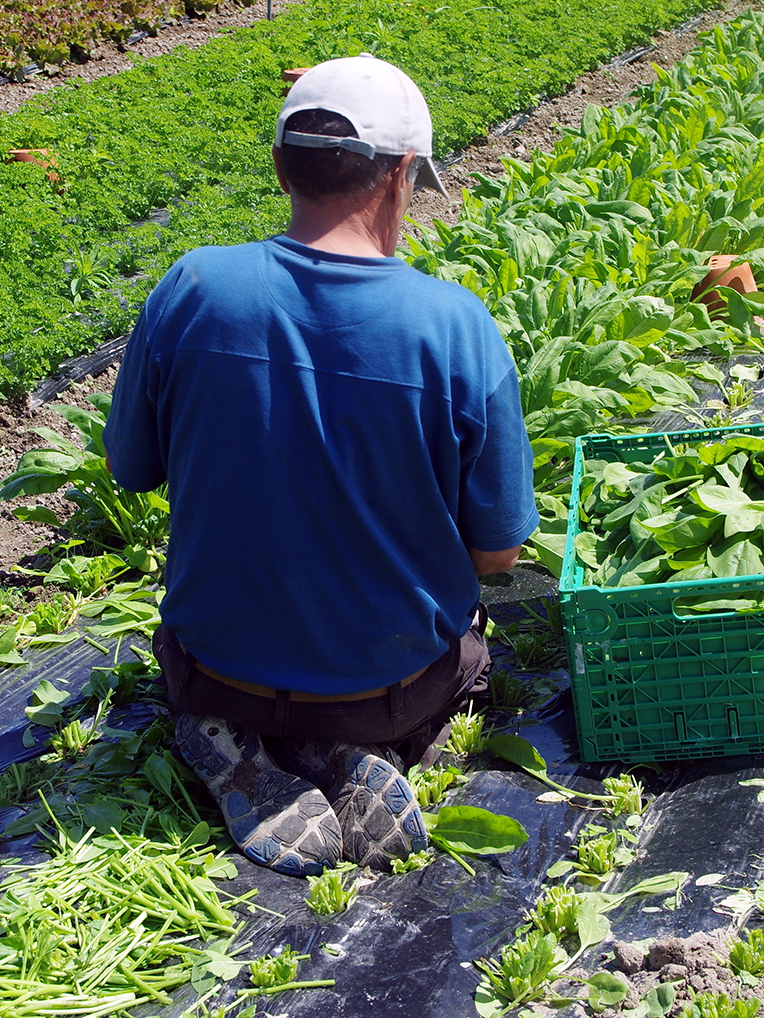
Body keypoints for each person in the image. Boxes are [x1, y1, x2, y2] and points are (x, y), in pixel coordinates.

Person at [102, 54, 538, 876]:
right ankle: (363, 753)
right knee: (473, 654)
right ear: (401, 175)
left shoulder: (191, 287)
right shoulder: (454, 325)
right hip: (385, 692)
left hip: (217, 671)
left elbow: (133, 469)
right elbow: (497, 556)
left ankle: (239, 747)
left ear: (279, 166)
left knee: (205, 669)